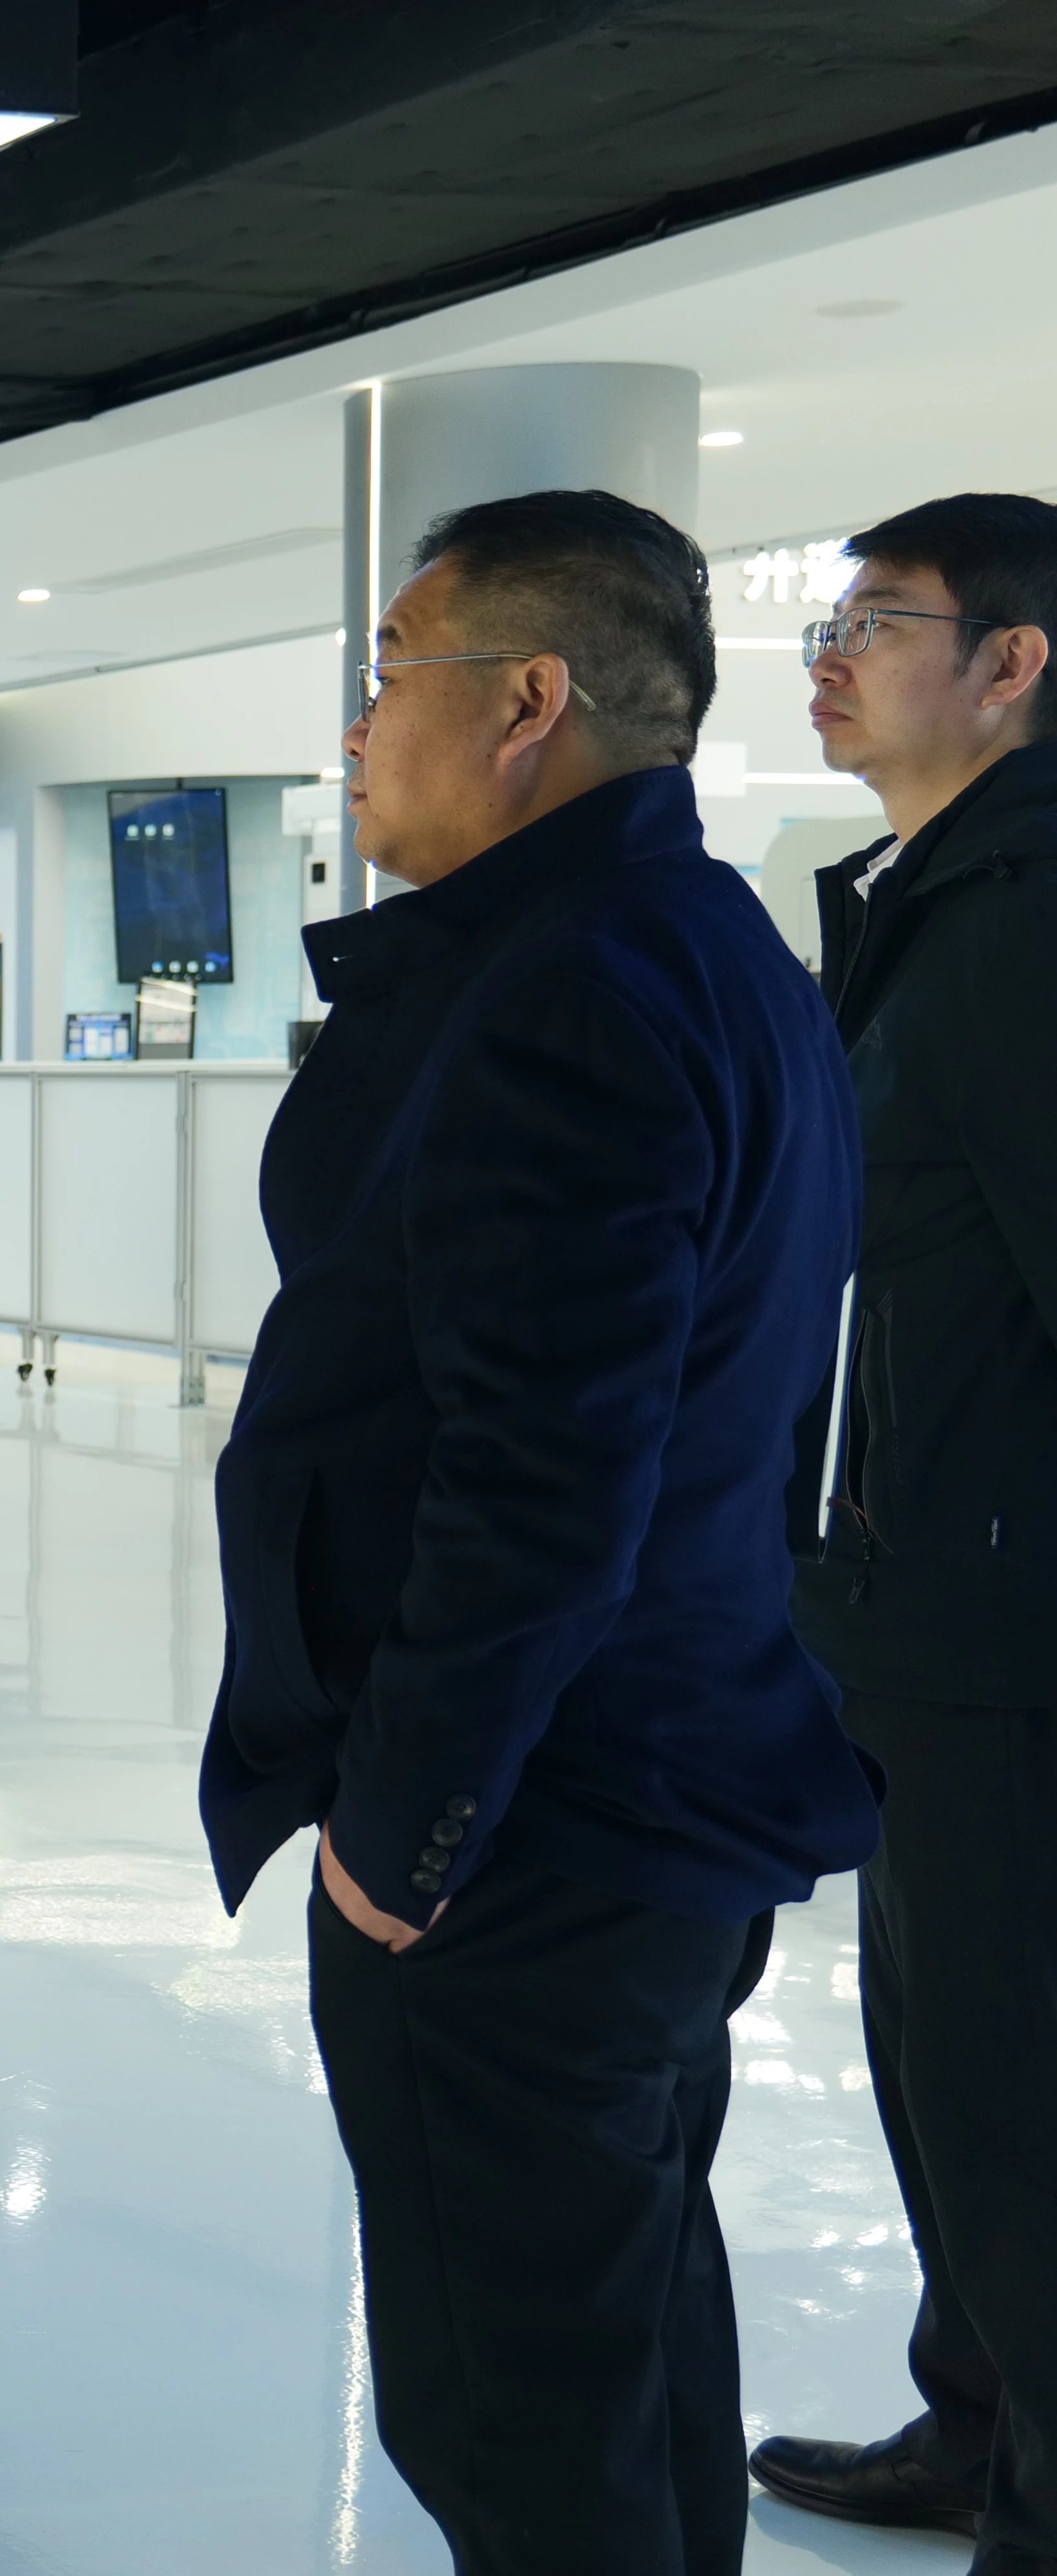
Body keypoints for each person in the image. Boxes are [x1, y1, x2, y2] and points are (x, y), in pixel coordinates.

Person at [196, 491, 872, 2574]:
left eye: (390, 671)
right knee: (618, 2345)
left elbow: (544, 1468)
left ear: (527, 702)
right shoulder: (700, 946)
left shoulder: (569, 982)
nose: (357, 728)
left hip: (534, 1825)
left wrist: (409, 1828)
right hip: (655, 1773)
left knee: (520, 2414)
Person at [746, 493, 1057, 2573]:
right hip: (919, 1591)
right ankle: (982, 2422)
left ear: (1014, 666)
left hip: (1007, 1613)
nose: (831, 657)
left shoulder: (1025, 921)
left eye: (877, 622)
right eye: (830, 624)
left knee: (1007, 2075)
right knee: (945, 2056)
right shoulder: (930, 899)